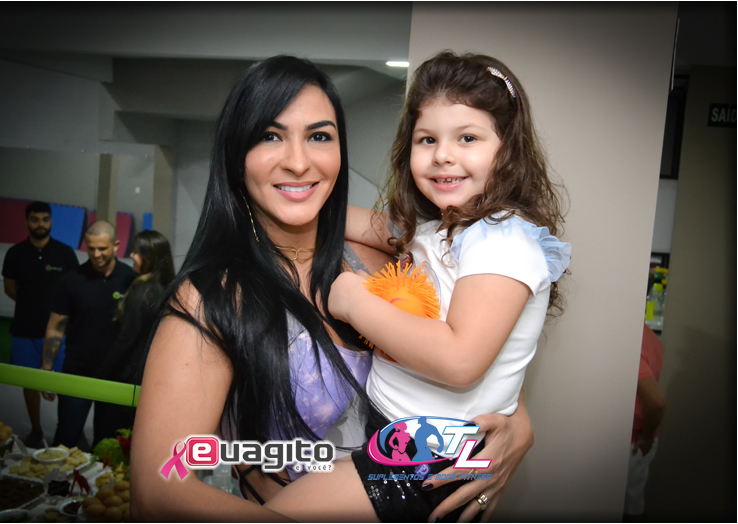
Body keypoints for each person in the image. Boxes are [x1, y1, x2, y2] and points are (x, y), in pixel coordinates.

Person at [131, 55, 535, 522]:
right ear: (236, 155)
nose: (298, 162)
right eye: (270, 136)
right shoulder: (214, 299)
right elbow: (157, 493)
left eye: (319, 136)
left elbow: (475, 341)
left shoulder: (382, 261)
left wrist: (517, 423)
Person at [265, 51, 570, 522]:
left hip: (427, 459)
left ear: (508, 149)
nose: (443, 154)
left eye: (467, 137)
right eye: (428, 139)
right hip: (397, 435)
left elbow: (461, 360)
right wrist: (280, 197)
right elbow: (350, 221)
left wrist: (352, 300)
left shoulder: (504, 239)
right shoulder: (443, 229)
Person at [41, 220, 137, 449]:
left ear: (116, 245)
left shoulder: (130, 280)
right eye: (91, 248)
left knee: (108, 445)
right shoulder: (71, 280)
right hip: (78, 371)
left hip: (115, 375)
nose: (96, 254)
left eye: (102, 248)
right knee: (65, 438)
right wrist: (46, 370)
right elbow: (56, 327)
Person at [2, 201, 79, 448]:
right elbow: (9, 288)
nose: (40, 224)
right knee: (30, 383)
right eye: (35, 219)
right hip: (24, 330)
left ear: (51, 221)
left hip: (59, 333)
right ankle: (36, 430)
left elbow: (75, 290)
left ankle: (68, 431)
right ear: (27, 222)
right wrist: (32, 305)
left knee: (65, 383)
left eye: (45, 219)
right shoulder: (15, 254)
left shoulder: (65, 253)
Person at [93, 230, 176, 441]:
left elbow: (126, 338)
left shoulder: (142, 291)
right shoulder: (168, 289)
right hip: (151, 376)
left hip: (128, 376)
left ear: (149, 257)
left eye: (136, 252)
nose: (131, 255)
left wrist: (101, 373)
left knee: (111, 438)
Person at [623, 324, 665, 522]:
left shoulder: (629, 340)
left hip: (634, 441)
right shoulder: (650, 336)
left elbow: (657, 402)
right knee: (633, 506)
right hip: (642, 440)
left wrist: (646, 436)